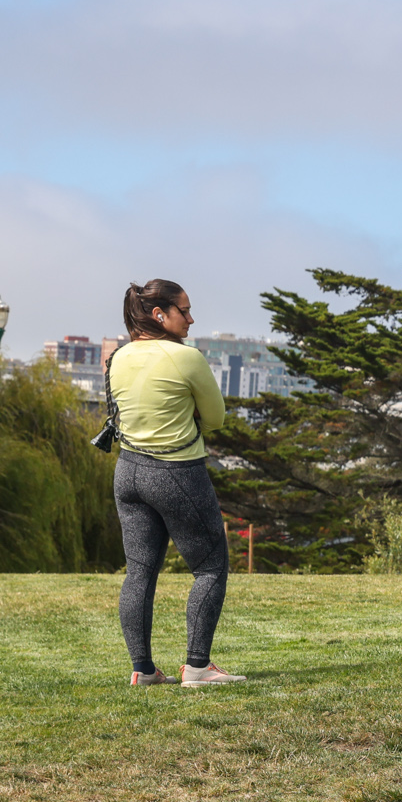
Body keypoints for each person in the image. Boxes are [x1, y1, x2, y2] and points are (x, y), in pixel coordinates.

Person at [106, 280, 241, 687]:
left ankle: (143, 670)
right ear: (160, 314)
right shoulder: (187, 358)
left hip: (127, 472)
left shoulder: (118, 357)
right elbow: (216, 419)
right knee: (210, 566)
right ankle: (198, 667)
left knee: (140, 571)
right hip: (176, 472)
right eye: (185, 310)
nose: (192, 317)